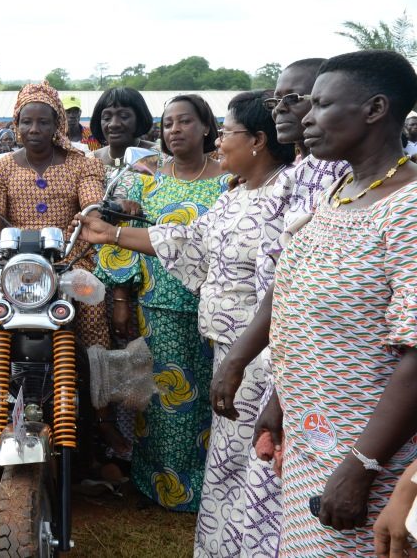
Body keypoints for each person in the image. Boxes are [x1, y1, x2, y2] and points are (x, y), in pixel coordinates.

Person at [75, 90, 297, 555]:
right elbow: (189, 240)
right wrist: (112, 233)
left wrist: (242, 354)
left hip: (261, 351)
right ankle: (225, 536)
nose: (220, 145)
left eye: (227, 133)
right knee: (225, 441)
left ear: (257, 140)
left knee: (248, 448)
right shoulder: (239, 196)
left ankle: (253, 540)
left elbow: (285, 288)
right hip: (223, 340)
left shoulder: (288, 195)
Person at [260, 50, 417, 555]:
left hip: (373, 459)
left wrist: (362, 466)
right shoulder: (340, 191)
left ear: (374, 109)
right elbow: (302, 311)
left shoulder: (408, 210)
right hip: (315, 440)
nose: (306, 117)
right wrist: (279, 400)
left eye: (322, 105)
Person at [209, 58, 350, 553]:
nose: (290, 111)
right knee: (274, 491)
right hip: (286, 363)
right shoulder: (309, 173)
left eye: (303, 98)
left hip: (346, 384)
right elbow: (287, 280)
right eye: (277, 100)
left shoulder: (384, 194)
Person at [94, 94, 227, 512]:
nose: (175, 130)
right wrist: (121, 297)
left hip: (216, 311)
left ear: (206, 126)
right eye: (168, 123)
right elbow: (121, 244)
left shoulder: (231, 181)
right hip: (157, 308)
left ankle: (209, 491)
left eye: (185, 121)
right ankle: (156, 485)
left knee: (212, 401)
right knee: (158, 402)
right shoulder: (144, 179)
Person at [0, 82, 109, 350]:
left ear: (57, 124)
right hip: (13, 258)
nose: (34, 129)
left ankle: (93, 377)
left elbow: (92, 204)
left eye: (43, 122)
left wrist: (96, 210)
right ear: (16, 124)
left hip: (67, 256)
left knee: (91, 304)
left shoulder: (81, 163)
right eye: (26, 122)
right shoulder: (2, 168)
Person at [89, 87, 157, 181]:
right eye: (107, 117)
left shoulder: (159, 156)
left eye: (123, 116)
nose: (113, 124)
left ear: (139, 119)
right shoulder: (91, 160)